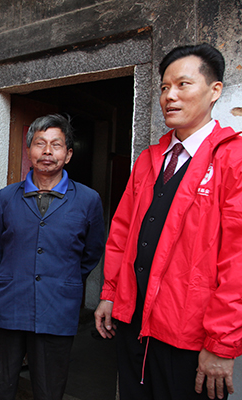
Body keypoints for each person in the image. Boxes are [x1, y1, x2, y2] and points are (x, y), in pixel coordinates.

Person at [94, 43, 242, 400]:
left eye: (182, 85)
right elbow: (122, 234)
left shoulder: (233, 159)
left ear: (214, 91)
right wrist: (110, 294)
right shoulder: (150, 159)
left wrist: (222, 343)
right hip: (132, 324)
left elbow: (238, 259)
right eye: (164, 87)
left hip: (189, 334)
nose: (169, 96)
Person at [0, 114, 105, 400]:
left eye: (56, 145)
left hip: (57, 308)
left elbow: (92, 252)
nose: (47, 151)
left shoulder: (88, 199)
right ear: (29, 150)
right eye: (40, 143)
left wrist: (64, 279)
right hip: (8, 305)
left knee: (49, 390)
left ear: (68, 154)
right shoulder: (7, 197)